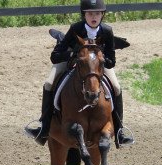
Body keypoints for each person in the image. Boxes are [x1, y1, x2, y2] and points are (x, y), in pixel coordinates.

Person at [25, 0, 134, 148]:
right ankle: (43, 128)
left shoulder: (107, 31)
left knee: (116, 86)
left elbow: (111, 61)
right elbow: (56, 55)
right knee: (49, 83)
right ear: (84, 15)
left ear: (102, 14)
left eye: (97, 13)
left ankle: (120, 131)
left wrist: (99, 60)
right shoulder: (75, 28)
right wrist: (74, 57)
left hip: (97, 67)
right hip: (72, 62)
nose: (93, 16)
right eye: (90, 13)